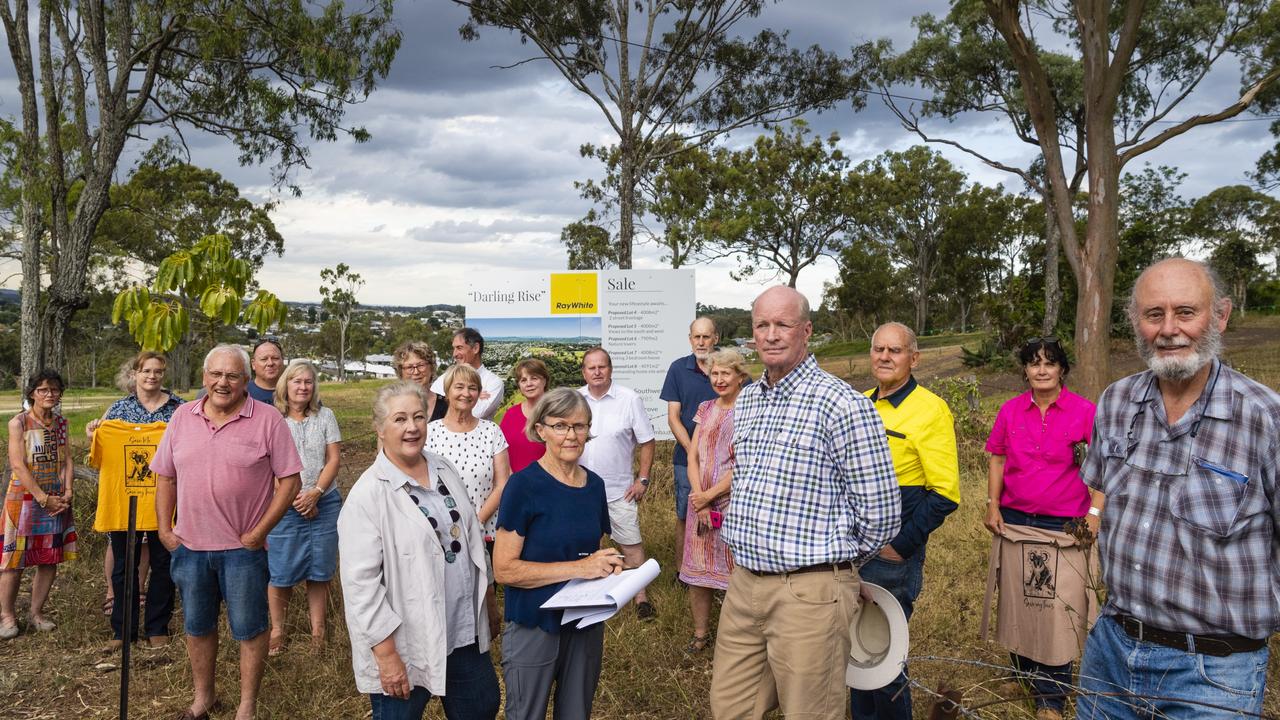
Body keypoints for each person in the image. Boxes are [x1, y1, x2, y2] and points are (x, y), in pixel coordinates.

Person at [1077, 258, 1280, 720]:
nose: (1169, 329)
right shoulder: (1116, 401)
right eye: (1154, 315)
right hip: (1111, 651)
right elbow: (1101, 497)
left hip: (1214, 675)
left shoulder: (1265, 418)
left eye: (1186, 312)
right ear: (1136, 322)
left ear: (1221, 315)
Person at [710, 286, 900, 719]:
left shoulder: (841, 404)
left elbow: (882, 513)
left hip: (809, 592)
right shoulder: (751, 400)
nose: (772, 334)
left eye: (784, 324)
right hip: (743, 585)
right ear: (752, 333)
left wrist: (836, 566)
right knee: (730, 709)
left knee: (809, 712)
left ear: (806, 331)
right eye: (763, 325)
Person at [151, 344, 303, 720]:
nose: (223, 382)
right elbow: (165, 476)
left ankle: (247, 705)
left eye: (233, 375)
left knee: (250, 629)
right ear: (204, 378)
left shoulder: (268, 420)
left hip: (243, 550)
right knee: (197, 625)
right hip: (190, 546)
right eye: (216, 375)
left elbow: (290, 481)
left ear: (246, 381)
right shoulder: (182, 417)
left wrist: (259, 532)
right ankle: (204, 697)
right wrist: (164, 530)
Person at [338, 381, 499, 720]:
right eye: (399, 419)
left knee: (481, 707)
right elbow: (360, 588)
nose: (411, 428)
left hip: (463, 631)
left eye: (418, 417)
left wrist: (489, 603)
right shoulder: (367, 496)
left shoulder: (443, 469)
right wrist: (386, 656)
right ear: (379, 428)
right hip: (407, 644)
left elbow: (471, 537)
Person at [850, 322, 960, 719]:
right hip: (853, 550)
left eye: (894, 350)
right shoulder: (859, 403)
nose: (884, 357)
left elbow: (946, 494)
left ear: (914, 358)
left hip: (891, 553)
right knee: (855, 650)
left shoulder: (930, 409)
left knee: (885, 654)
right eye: (878, 349)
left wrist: (900, 546)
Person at [982, 337, 1095, 720]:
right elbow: (997, 458)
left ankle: (1052, 696)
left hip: (1063, 526)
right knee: (1019, 601)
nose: (1042, 370)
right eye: (1034, 363)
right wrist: (993, 504)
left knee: (1054, 612)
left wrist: (1095, 513)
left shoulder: (1085, 412)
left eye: (1049, 362)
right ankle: (1022, 672)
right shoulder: (1011, 411)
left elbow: (1102, 468)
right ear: (1025, 371)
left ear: (1063, 368)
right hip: (1015, 521)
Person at [494, 387, 623, 720]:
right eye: (560, 426)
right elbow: (505, 571)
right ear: (541, 430)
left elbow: (588, 553)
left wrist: (607, 568)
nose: (571, 435)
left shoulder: (595, 486)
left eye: (579, 426)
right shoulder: (523, 486)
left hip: (583, 624)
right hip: (534, 623)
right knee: (527, 714)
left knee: (576, 713)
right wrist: (581, 567)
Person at [88, 351, 185, 650]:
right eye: (146, 371)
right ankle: (123, 631)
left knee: (163, 563)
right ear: (135, 374)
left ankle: (158, 627)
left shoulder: (179, 408)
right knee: (123, 566)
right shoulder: (118, 411)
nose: (152, 376)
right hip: (124, 502)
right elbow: (99, 447)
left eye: (157, 371)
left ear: (163, 374)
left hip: (166, 500)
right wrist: (95, 432)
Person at [427, 363, 511, 631]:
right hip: (441, 528)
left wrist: (477, 519)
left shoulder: (491, 431)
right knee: (448, 592)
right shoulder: (429, 432)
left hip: (483, 525)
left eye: (473, 388)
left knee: (484, 592)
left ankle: (484, 641)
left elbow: (503, 483)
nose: (466, 393)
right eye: (459, 387)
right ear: (447, 392)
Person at [267, 360, 342, 657]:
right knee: (281, 570)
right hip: (283, 504)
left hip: (324, 501)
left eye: (308, 382)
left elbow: (333, 459)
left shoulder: (326, 416)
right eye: (297, 381)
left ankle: (318, 632)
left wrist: (316, 493)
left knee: (319, 570)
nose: (303, 387)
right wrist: (296, 498)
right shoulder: (272, 418)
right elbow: (267, 464)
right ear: (286, 385)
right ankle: (277, 630)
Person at [576, 347, 657, 619]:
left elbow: (646, 441)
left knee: (631, 545)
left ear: (610, 369)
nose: (597, 372)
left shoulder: (629, 399)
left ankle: (640, 599)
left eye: (602, 367)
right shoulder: (574, 399)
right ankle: (592, 595)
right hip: (580, 490)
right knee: (586, 546)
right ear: (583, 371)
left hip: (619, 491)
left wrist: (642, 479)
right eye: (591, 367)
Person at [679, 349, 748, 654]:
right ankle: (700, 633)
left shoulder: (749, 410)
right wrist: (700, 499)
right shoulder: (705, 408)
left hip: (733, 505)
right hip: (701, 505)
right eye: (715, 374)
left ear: (740, 376)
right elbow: (693, 455)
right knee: (698, 572)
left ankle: (736, 639)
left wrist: (711, 495)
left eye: (726, 373)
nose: (719, 379)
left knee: (736, 574)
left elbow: (745, 463)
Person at [1, 370, 78, 639]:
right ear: (32, 393)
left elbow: (67, 459)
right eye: (43, 390)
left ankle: (36, 613)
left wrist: (67, 491)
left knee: (49, 558)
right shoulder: (19, 423)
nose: (49, 395)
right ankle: (7, 616)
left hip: (56, 499)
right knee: (14, 560)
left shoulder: (61, 423)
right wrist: (42, 498)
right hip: (24, 500)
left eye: (55, 390)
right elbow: (17, 465)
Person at [660, 317, 719, 573]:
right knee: (686, 514)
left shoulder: (728, 368)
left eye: (706, 337)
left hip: (723, 461)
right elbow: (673, 417)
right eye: (697, 337)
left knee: (721, 514)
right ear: (690, 339)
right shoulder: (677, 369)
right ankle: (683, 572)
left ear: (716, 338)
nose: (701, 342)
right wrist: (692, 451)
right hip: (686, 459)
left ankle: (716, 568)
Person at [430, 328, 505, 420]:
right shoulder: (444, 378)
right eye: (454, 348)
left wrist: (448, 399)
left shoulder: (493, 382)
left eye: (459, 348)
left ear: (475, 348)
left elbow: (476, 414)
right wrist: (472, 398)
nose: (454, 354)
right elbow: (432, 408)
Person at [498, 358, 552, 474]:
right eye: (523, 380)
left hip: (548, 485)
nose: (529, 384)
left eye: (534, 378)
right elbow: (500, 451)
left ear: (545, 381)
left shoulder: (556, 414)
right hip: (515, 484)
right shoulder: (511, 415)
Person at [392, 340, 448, 422]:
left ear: (431, 367)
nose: (416, 372)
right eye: (409, 367)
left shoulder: (448, 405)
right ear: (400, 372)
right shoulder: (391, 405)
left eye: (421, 365)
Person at [249, 338, 285, 403]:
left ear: (282, 361)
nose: (270, 363)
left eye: (275, 358)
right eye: (264, 359)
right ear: (253, 364)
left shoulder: (295, 392)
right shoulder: (242, 393)